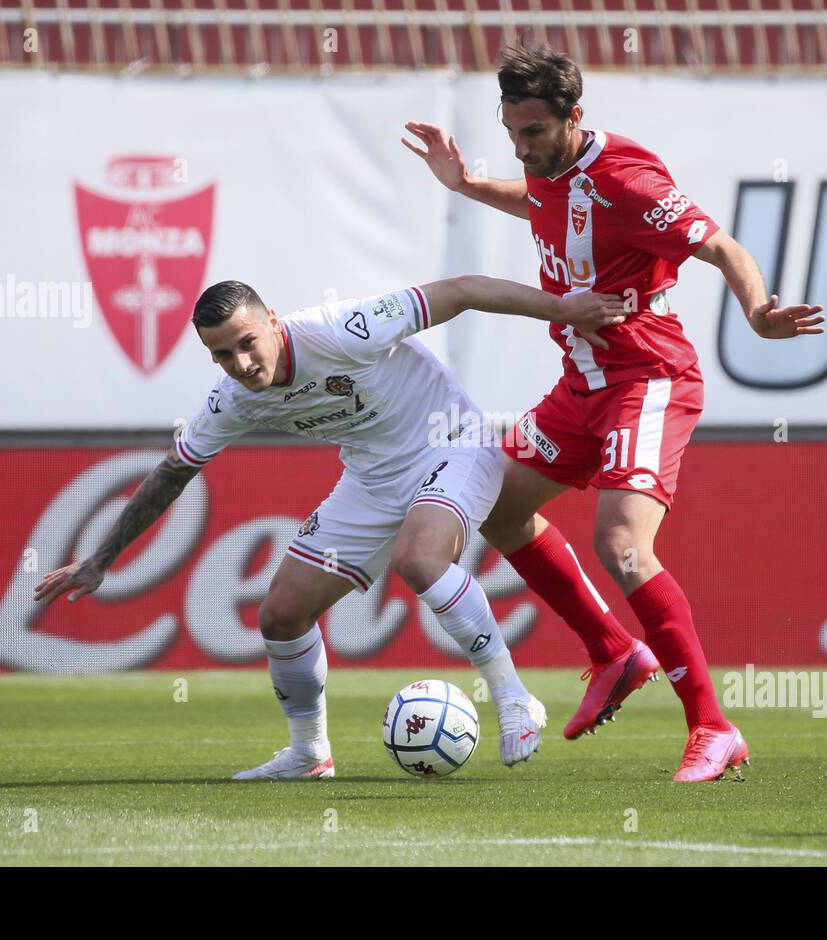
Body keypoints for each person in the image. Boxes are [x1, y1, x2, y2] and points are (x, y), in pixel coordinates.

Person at [403, 44, 825, 782]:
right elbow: (537, 197)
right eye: (511, 130)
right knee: (498, 507)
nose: (521, 146)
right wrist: (468, 182)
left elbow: (720, 245)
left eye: (533, 132)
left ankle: (713, 725)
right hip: (582, 383)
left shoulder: (627, 178)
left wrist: (757, 310)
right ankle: (613, 651)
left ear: (575, 118)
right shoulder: (547, 167)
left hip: (648, 376)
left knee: (623, 544)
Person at [33, 274, 626, 780]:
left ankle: (512, 695)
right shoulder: (233, 399)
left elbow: (463, 290)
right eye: (222, 355)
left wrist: (562, 307)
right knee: (280, 615)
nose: (241, 364)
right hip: (370, 481)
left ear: (272, 320)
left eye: (247, 343)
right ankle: (308, 752)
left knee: (420, 560)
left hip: (452, 445)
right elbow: (172, 473)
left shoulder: (342, 329)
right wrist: (100, 559)